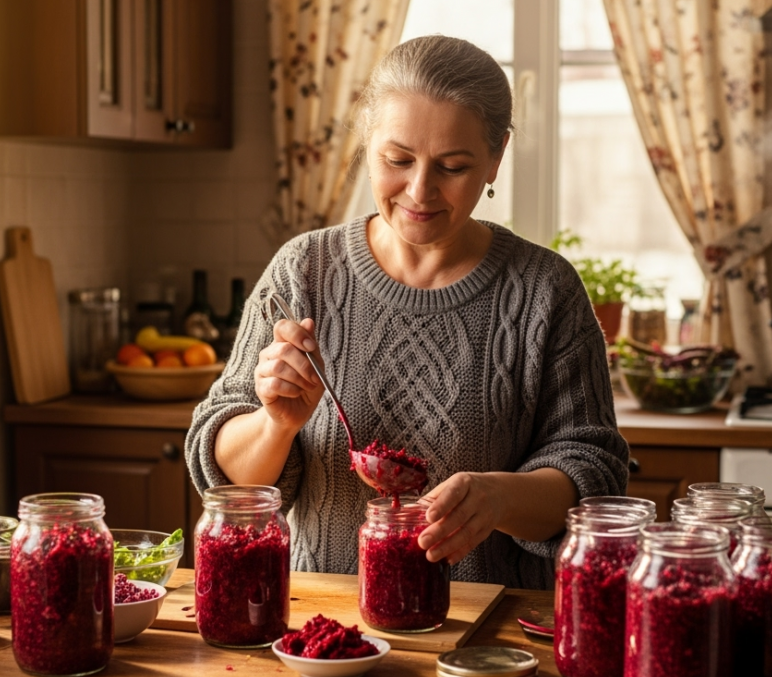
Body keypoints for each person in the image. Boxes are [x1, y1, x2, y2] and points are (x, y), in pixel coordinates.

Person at [185, 35, 629, 590]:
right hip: (324, 632)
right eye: (397, 159)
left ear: (496, 158)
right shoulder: (304, 269)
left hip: (491, 631)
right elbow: (224, 473)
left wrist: (499, 499)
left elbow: (595, 473)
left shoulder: (544, 289)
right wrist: (276, 423)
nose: (420, 191)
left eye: (453, 166)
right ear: (368, 144)